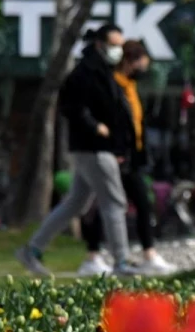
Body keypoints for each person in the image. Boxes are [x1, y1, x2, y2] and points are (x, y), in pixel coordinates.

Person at [16, 24, 136, 277]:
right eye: (114, 45)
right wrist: (96, 128)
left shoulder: (102, 71)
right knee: (114, 202)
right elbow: (73, 108)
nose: (118, 51)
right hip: (94, 147)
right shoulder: (85, 73)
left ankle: (33, 249)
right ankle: (121, 262)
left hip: (94, 147)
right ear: (100, 45)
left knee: (75, 203)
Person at [77, 40, 177, 276]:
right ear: (130, 61)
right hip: (119, 156)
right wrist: (116, 150)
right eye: (142, 63)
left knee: (114, 204)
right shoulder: (113, 86)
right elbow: (112, 122)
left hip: (130, 156)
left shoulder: (128, 86)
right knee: (136, 203)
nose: (145, 68)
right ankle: (144, 254)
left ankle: (95, 256)